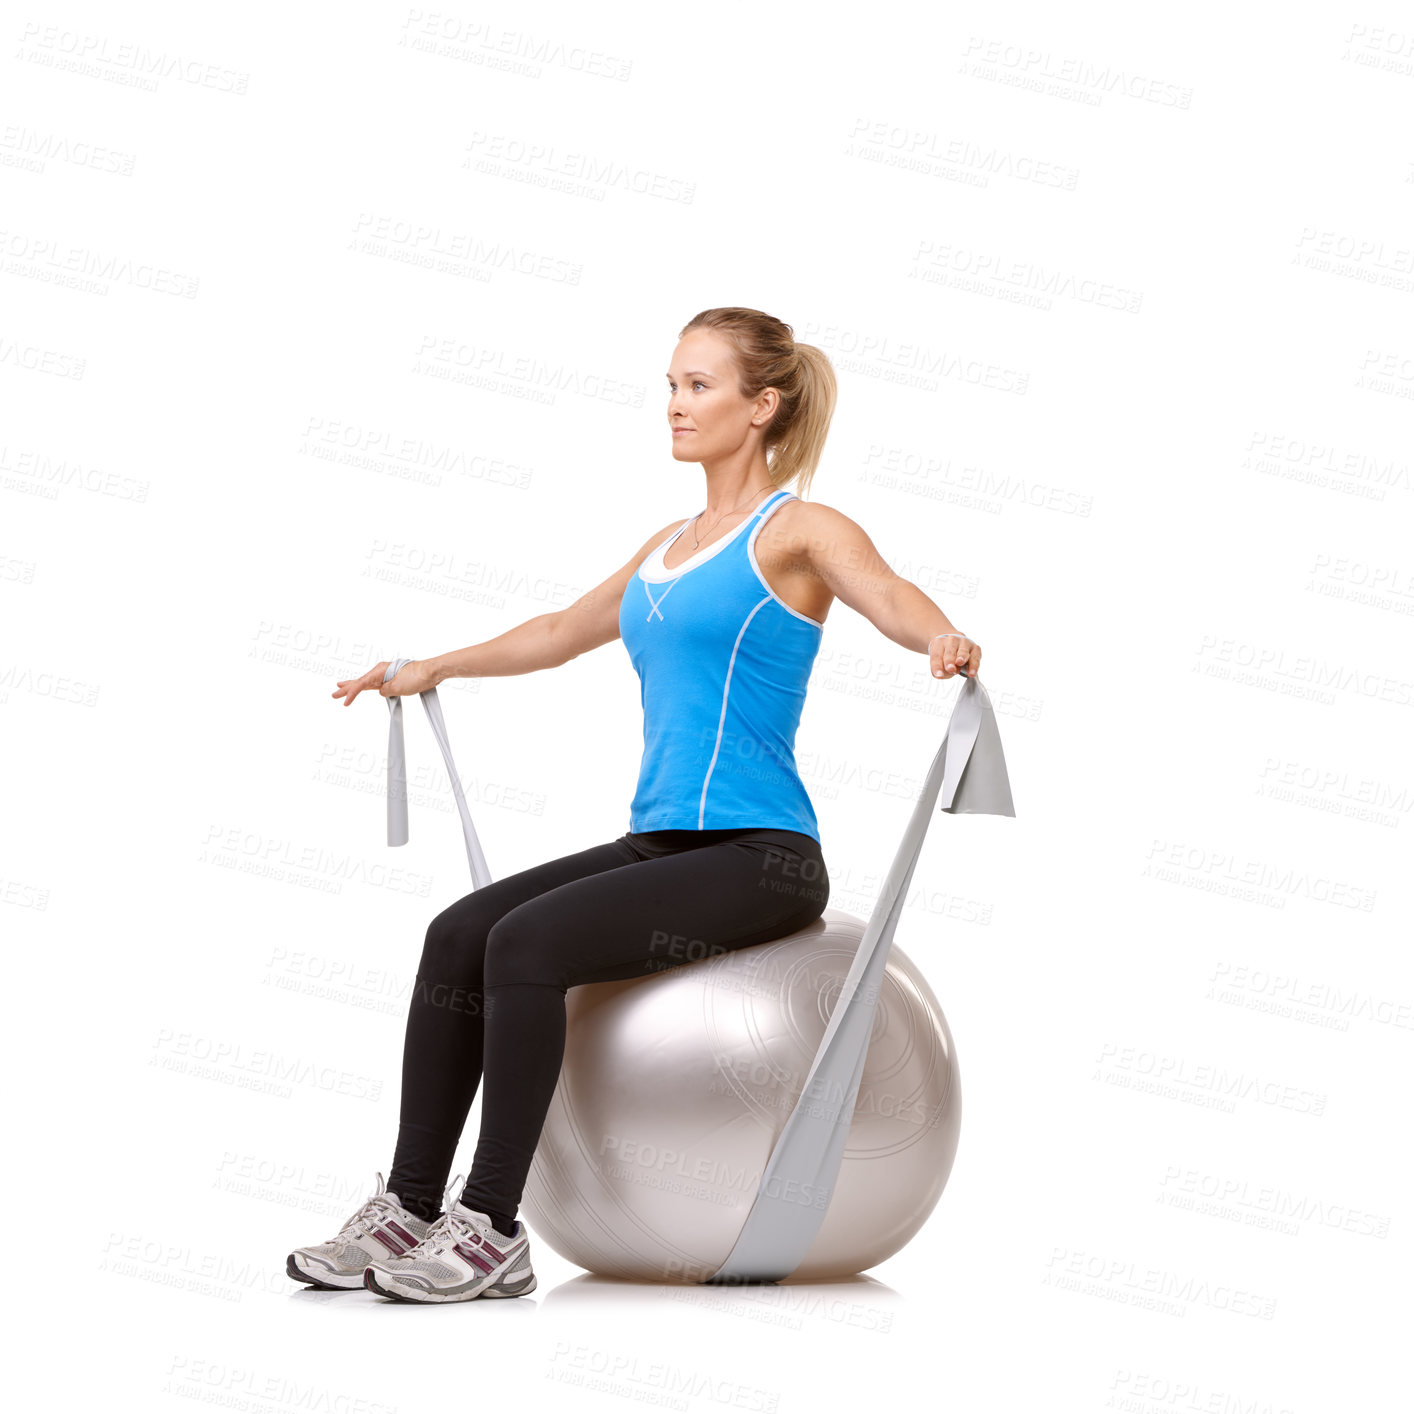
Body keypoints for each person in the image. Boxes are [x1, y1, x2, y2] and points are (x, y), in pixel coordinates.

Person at [286, 306, 982, 1304]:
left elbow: (885, 588)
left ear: (763, 404)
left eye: (699, 386)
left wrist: (941, 636)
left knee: (525, 947)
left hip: (762, 857)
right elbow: (564, 628)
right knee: (458, 934)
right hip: (658, 843)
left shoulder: (798, 529)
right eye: (670, 384)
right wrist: (430, 665)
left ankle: (489, 1227)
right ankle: (408, 1204)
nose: (674, 405)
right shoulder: (668, 546)